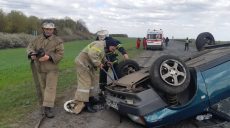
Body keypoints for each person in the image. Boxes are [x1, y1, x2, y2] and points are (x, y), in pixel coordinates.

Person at [72, 31, 120, 114]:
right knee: (85, 83)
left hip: (88, 65)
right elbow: (92, 54)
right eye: (113, 47)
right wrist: (98, 64)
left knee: (92, 82)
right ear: (110, 44)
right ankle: (85, 103)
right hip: (82, 63)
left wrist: (106, 62)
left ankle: (90, 98)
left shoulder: (103, 46)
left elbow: (101, 55)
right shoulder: (99, 44)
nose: (114, 49)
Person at [27, 20, 64, 118]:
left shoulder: (58, 41)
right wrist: (31, 54)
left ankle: (48, 107)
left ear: (53, 30)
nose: (48, 31)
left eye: (50, 29)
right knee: (43, 87)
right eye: (46, 29)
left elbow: (60, 54)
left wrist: (49, 57)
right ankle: (46, 103)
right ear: (43, 29)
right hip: (39, 67)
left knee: (50, 87)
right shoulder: (36, 39)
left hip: (52, 68)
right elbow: (30, 47)